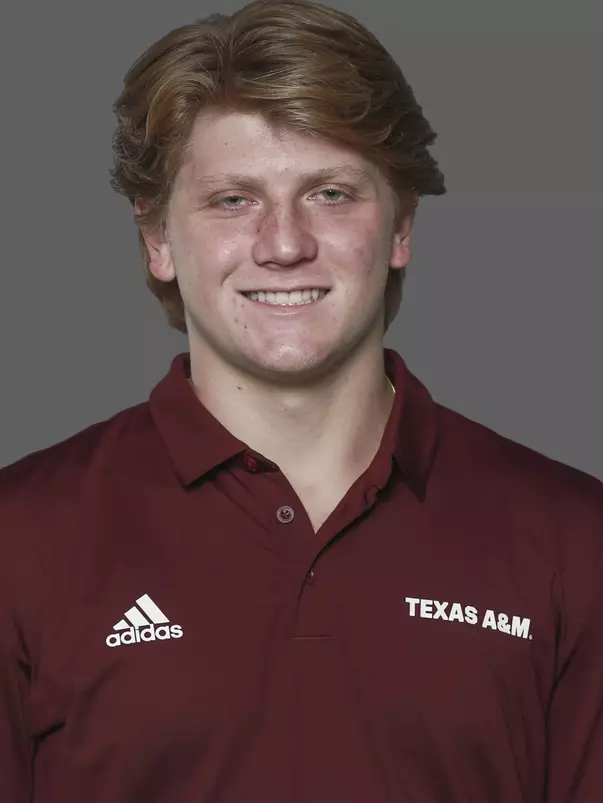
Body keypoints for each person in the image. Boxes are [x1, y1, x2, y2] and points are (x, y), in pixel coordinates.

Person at [1, 0, 602, 800]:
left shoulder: (573, 539)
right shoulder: (20, 540)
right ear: (157, 239)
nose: (284, 244)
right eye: (232, 199)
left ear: (400, 226)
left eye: (329, 193)